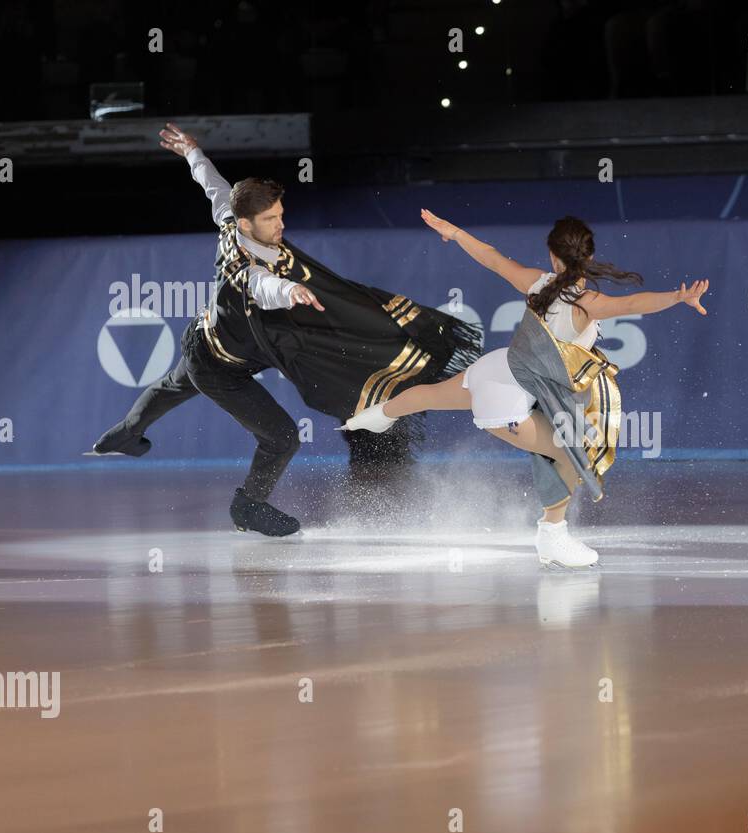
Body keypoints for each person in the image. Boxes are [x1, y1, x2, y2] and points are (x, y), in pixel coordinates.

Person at [92, 123, 479, 535]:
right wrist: (290, 288)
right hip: (220, 366)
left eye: (280, 214)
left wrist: (192, 153)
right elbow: (262, 285)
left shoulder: (231, 218)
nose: (280, 225)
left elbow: (214, 187)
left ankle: (124, 434)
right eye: (270, 219)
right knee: (282, 437)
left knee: (172, 385)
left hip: (212, 340)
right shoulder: (245, 270)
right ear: (246, 225)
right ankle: (248, 506)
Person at [341, 211, 709, 568]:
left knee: (429, 396)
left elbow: (492, 258)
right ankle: (552, 535)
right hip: (508, 400)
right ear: (588, 256)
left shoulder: (537, 284)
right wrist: (677, 298)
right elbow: (632, 303)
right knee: (574, 453)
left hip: (496, 368)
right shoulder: (586, 303)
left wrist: (456, 233)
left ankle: (370, 417)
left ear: (553, 255)